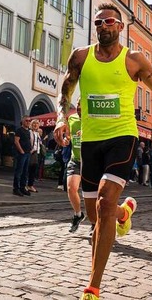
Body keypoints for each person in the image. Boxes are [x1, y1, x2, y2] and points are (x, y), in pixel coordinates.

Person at [53, 3, 152, 300]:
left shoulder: (134, 59)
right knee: (96, 214)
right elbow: (65, 91)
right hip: (91, 141)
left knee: (104, 202)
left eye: (109, 21)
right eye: (98, 22)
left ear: (120, 27)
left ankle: (93, 286)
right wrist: (61, 117)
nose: (103, 26)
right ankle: (123, 212)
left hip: (123, 136)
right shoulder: (81, 56)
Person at [66, 99, 86, 232]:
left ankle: (95, 223)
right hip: (76, 159)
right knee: (71, 188)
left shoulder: (93, 120)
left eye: (82, 106)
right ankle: (78, 214)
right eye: (78, 105)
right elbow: (68, 135)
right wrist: (66, 139)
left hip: (91, 161)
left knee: (93, 195)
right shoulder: (71, 118)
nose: (79, 108)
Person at [13, 116, 33, 197]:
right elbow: (16, 141)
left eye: (29, 121)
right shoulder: (19, 130)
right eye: (26, 121)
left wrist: (31, 149)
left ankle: (22, 187)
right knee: (19, 171)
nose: (28, 122)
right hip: (22, 154)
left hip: (28, 153)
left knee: (25, 172)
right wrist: (21, 151)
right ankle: (16, 188)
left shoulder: (28, 131)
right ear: (23, 121)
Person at [27, 119, 42, 193]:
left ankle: (30, 185)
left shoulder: (37, 134)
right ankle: (26, 185)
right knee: (28, 169)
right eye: (34, 124)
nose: (35, 125)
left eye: (37, 124)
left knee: (33, 170)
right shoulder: (29, 132)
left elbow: (39, 143)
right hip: (31, 152)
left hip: (37, 153)